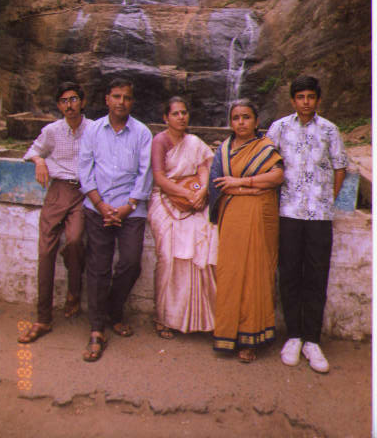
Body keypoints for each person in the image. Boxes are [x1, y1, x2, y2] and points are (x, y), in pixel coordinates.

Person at [267, 75, 347, 374]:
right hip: (287, 213)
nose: (305, 102)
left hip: (319, 216)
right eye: (300, 97)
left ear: (318, 99)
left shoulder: (329, 130)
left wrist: (331, 201)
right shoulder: (279, 128)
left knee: (316, 275)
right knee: (289, 273)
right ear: (292, 100)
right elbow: (266, 163)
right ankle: (293, 336)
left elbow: (341, 168)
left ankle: (312, 340)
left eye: (310, 97)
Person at [78, 78, 153, 362]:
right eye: (117, 96)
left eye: (127, 97)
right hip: (97, 207)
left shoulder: (142, 132)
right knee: (98, 267)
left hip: (130, 209)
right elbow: (85, 170)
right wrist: (100, 205)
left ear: (132, 102)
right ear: (107, 99)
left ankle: (112, 309)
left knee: (131, 263)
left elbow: (145, 173)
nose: (122, 102)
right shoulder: (92, 130)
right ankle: (97, 329)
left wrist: (127, 207)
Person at [209, 99, 284, 363]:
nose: (241, 122)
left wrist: (241, 183)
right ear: (230, 122)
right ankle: (227, 334)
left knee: (256, 273)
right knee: (230, 274)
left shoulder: (265, 147)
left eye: (246, 117)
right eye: (236, 118)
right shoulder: (223, 151)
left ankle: (251, 339)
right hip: (232, 218)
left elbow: (277, 177)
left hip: (260, 218)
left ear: (256, 121)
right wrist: (252, 188)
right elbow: (219, 186)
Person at [18, 81, 92, 343]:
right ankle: (43, 319)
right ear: (59, 105)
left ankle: (74, 291)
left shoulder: (94, 129)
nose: (69, 105)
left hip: (83, 191)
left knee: (75, 241)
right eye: (63, 101)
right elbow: (32, 150)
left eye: (73, 99)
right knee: (45, 251)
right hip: (58, 190)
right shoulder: (51, 131)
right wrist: (39, 160)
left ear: (82, 102)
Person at [147, 97, 218, 339]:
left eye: (184, 112)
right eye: (175, 113)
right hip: (166, 200)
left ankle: (204, 319)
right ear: (166, 118)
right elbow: (159, 178)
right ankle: (164, 317)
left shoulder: (194, 142)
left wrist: (202, 191)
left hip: (194, 200)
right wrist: (187, 194)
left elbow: (204, 167)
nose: (181, 117)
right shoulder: (160, 141)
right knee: (168, 257)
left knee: (204, 246)